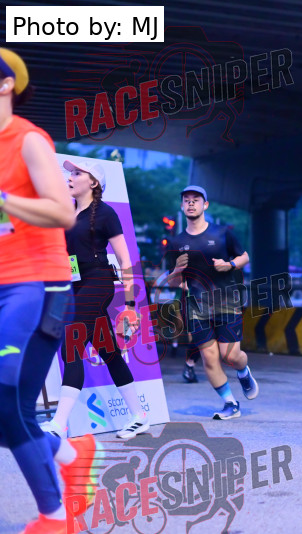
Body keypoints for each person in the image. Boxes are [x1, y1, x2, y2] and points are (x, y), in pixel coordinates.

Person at [0, 47, 100, 533]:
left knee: (6, 406)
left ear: (6, 85)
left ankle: (55, 518)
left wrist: (4, 199)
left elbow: (62, 212)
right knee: (9, 416)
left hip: (38, 284)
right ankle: (70, 455)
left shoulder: (28, 139)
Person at [41, 159, 149, 441]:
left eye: (77, 173)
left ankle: (59, 424)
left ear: (93, 182)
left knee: (71, 344)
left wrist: (130, 305)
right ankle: (139, 416)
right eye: (70, 173)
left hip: (98, 283)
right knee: (109, 352)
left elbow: (125, 260)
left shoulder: (105, 213)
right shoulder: (69, 214)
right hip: (75, 286)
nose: (70, 177)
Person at [165, 185, 257, 419]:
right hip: (197, 306)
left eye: (196, 199)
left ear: (205, 205)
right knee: (209, 357)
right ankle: (230, 403)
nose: (191, 203)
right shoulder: (176, 242)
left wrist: (230, 265)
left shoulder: (222, 232)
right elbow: (173, 282)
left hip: (226, 301)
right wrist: (177, 271)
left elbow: (245, 257)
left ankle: (243, 372)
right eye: (186, 200)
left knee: (230, 356)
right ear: (182, 206)